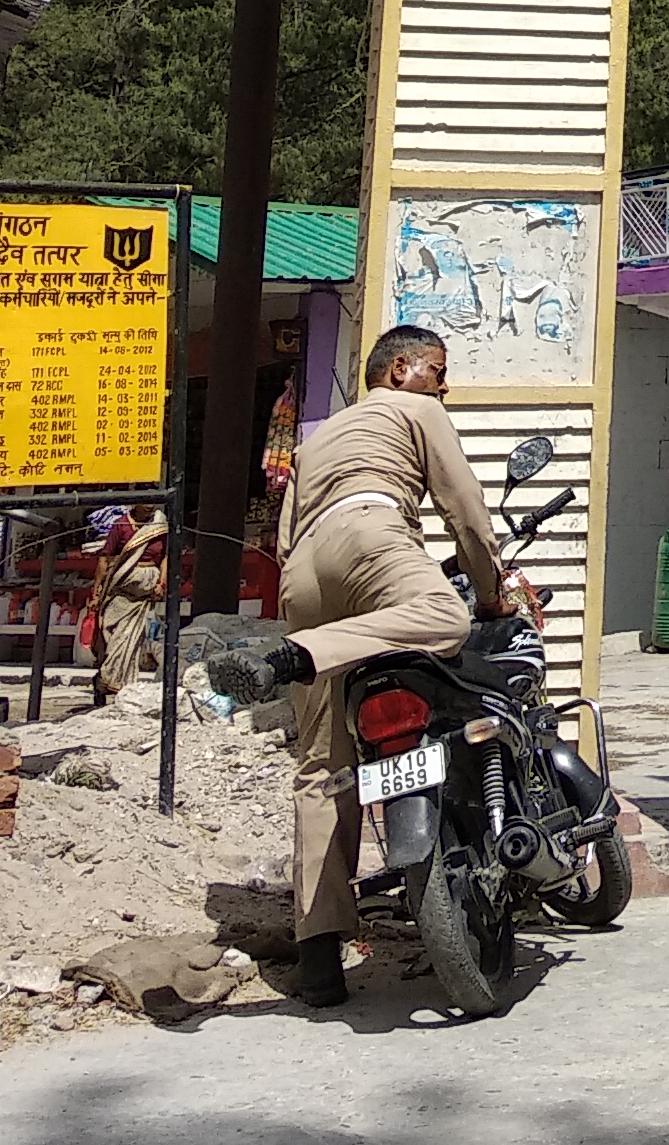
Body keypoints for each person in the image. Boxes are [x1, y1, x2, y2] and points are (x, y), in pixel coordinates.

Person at [209, 325, 534, 1010]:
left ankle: (320, 957)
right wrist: (490, 589)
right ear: (399, 369)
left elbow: (288, 537)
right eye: (438, 369)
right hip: (375, 536)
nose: (446, 384)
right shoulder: (418, 411)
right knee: (444, 618)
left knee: (321, 768)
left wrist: (317, 629)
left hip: (306, 573)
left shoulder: (312, 443)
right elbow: (465, 510)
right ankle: (298, 655)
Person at [84, 508, 169, 703]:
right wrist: (96, 593)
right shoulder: (121, 525)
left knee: (129, 640)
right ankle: (104, 678)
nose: (149, 506)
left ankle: (115, 685)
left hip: (142, 594)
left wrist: (161, 583)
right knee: (110, 636)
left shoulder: (159, 525)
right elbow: (105, 560)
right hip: (119, 591)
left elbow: (165, 557)